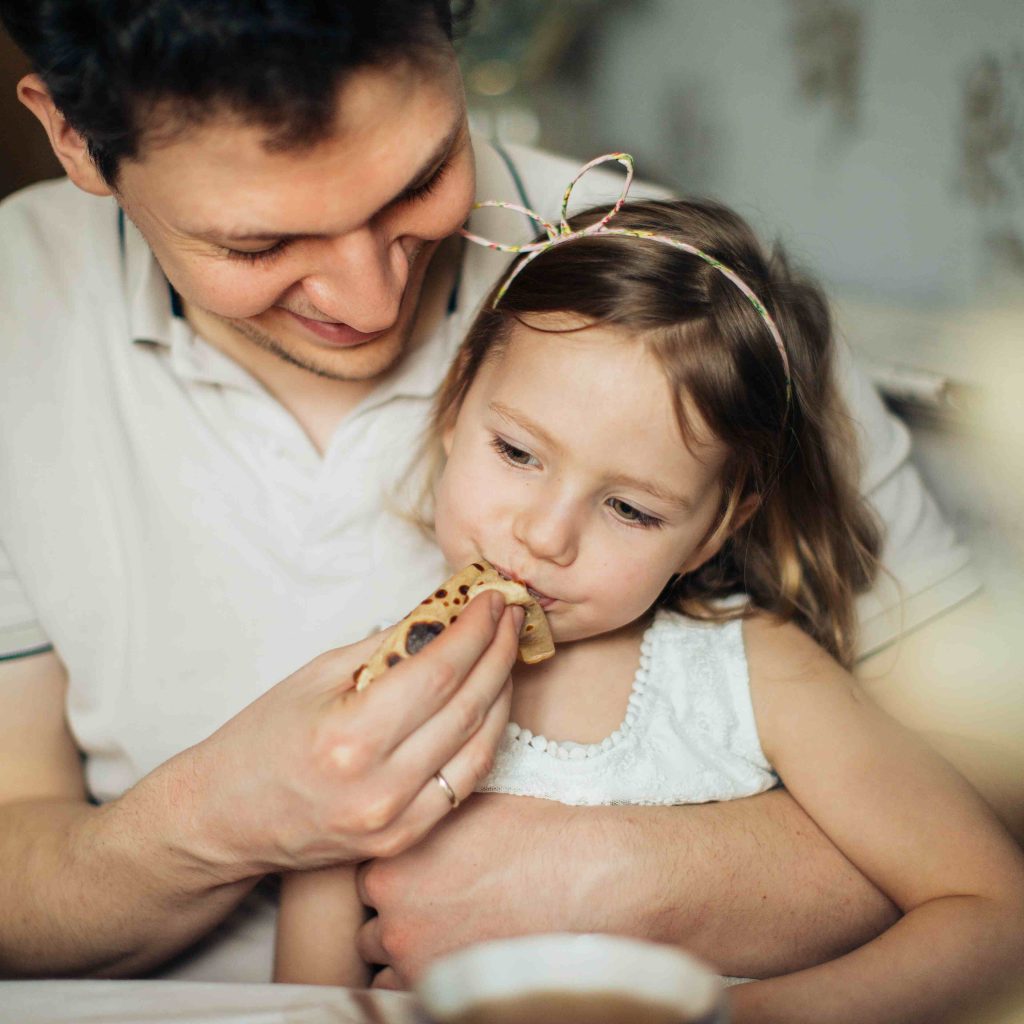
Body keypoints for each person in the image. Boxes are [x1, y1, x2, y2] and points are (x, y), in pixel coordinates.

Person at [0, 0, 1014, 988]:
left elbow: (990, 809)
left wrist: (653, 881)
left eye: (423, 175)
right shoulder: (20, 306)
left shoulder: (699, 313)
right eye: (257, 245)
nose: (370, 298)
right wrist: (221, 817)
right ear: (73, 137)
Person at [270, 173, 1024, 1022]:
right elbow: (307, 1000)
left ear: (711, 530)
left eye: (629, 507)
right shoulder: (372, 697)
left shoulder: (756, 672)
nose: (546, 536)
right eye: (518, 452)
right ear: (456, 406)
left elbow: (992, 913)